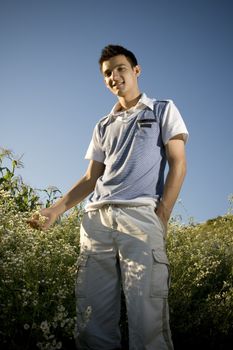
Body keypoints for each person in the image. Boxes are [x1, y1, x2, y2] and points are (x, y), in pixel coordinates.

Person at [29, 44, 188, 350]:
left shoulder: (163, 109)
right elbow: (91, 178)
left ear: (136, 71)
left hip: (139, 219)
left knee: (147, 324)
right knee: (91, 324)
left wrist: (162, 216)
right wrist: (55, 210)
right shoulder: (102, 125)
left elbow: (178, 163)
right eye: (108, 73)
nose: (115, 76)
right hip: (96, 222)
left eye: (120, 69)